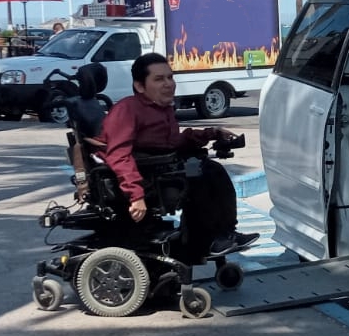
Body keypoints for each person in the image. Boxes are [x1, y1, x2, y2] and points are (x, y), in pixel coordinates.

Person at [99, 53, 256, 259]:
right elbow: (119, 156)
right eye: (159, 79)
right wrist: (136, 195)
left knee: (212, 170)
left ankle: (224, 234)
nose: (168, 84)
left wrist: (211, 133)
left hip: (159, 166)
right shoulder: (127, 110)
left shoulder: (163, 109)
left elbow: (172, 142)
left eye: (170, 77)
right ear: (139, 86)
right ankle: (207, 241)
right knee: (199, 178)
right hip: (145, 176)